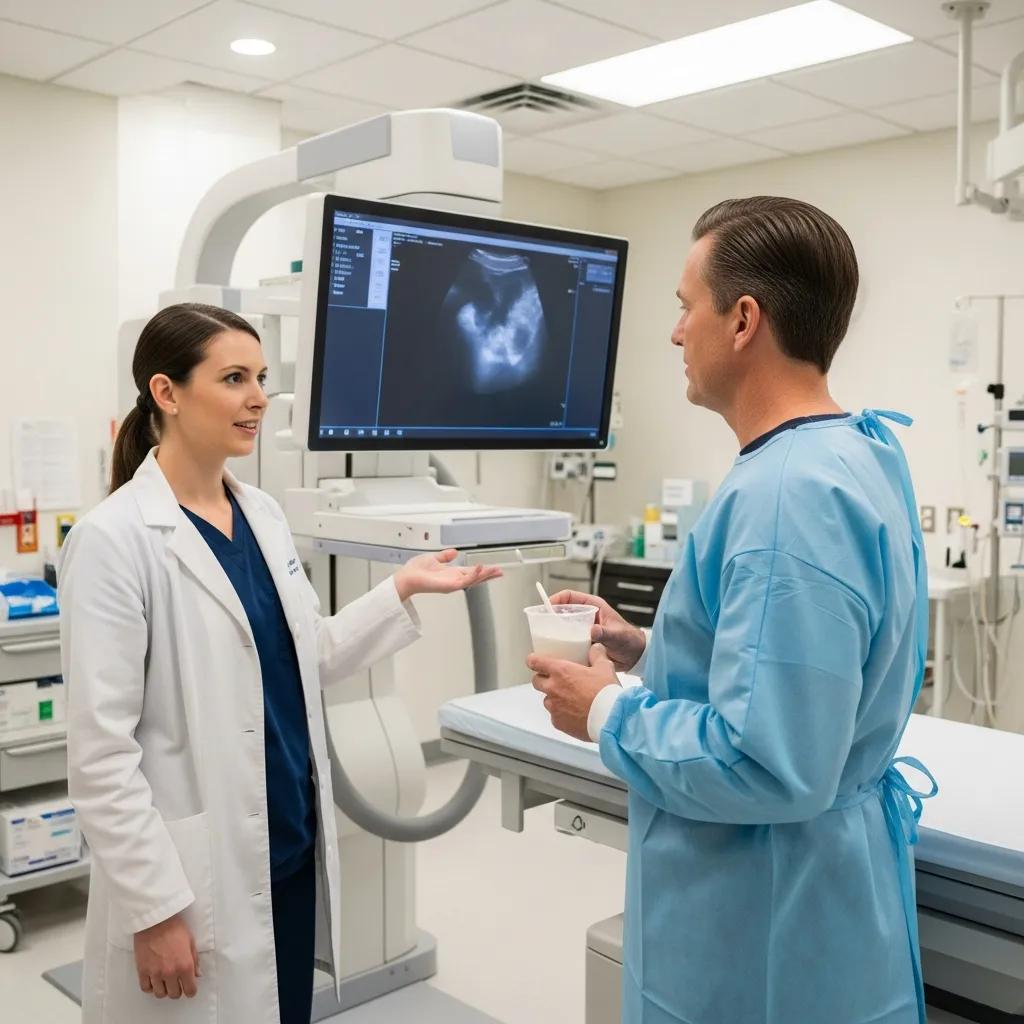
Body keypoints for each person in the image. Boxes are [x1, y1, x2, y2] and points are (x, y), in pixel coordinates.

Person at [528, 198, 936, 1024]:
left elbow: (768, 763)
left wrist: (603, 707)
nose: (677, 333)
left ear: (743, 319)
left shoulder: (784, 497)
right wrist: (646, 647)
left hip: (764, 919)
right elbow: (799, 669)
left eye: (686, 307)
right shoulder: (855, 450)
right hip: (819, 882)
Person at [59, 303, 502, 1024]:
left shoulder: (260, 512)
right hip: (191, 880)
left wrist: (402, 587)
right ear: (167, 393)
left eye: (261, 376)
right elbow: (100, 755)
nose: (259, 397)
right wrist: (155, 908)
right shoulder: (115, 541)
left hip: (286, 855)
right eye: (234, 378)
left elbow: (305, 655)